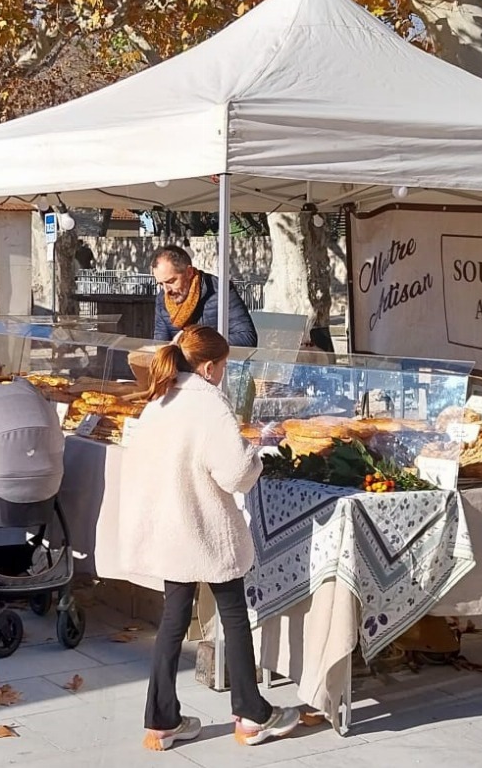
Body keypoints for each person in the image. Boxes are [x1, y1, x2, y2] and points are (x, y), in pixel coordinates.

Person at [118, 326, 300, 750]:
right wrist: (257, 453)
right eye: (224, 366)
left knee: (173, 619)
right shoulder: (208, 403)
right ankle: (251, 715)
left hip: (168, 525)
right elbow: (236, 474)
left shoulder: (159, 398)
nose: (224, 373)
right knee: (233, 613)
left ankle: (161, 721)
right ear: (209, 366)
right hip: (203, 524)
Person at [150, 246, 257, 347]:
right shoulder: (162, 299)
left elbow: (247, 338)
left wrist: (193, 342)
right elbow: (160, 345)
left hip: (219, 364)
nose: (166, 290)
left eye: (171, 281)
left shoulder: (221, 291)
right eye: (160, 284)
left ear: (189, 272)